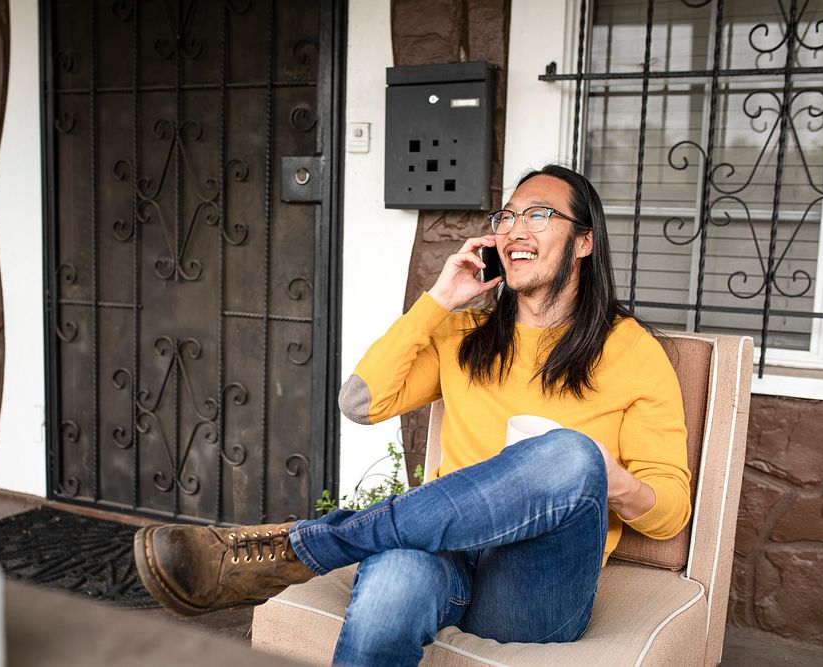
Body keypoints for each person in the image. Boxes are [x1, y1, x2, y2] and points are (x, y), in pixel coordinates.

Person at [133, 164, 691, 666]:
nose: (516, 229)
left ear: (585, 241)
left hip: (536, 588)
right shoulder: (466, 335)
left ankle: (308, 548)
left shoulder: (630, 352)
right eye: (508, 215)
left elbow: (669, 514)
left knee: (570, 453)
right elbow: (359, 403)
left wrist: (599, 474)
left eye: (539, 214)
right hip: (445, 550)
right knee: (390, 587)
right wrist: (440, 299)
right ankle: (329, 546)